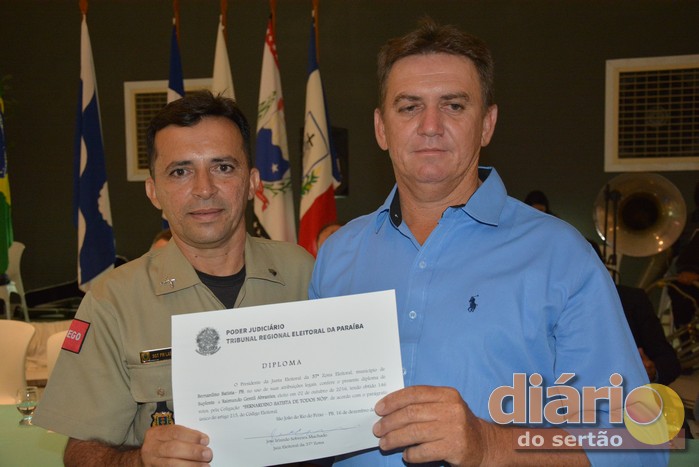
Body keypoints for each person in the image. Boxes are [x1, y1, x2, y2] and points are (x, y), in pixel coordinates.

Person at [310, 19, 662, 466]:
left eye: (454, 105)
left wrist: (491, 444)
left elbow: (636, 443)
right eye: (409, 107)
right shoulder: (338, 255)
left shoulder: (560, 255)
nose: (431, 125)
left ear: (487, 124)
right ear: (381, 128)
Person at [33, 91, 315, 466]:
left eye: (223, 167)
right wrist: (140, 461)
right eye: (180, 172)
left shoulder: (304, 274)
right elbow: (80, 454)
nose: (204, 189)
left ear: (251, 183)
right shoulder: (114, 302)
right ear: (154, 192)